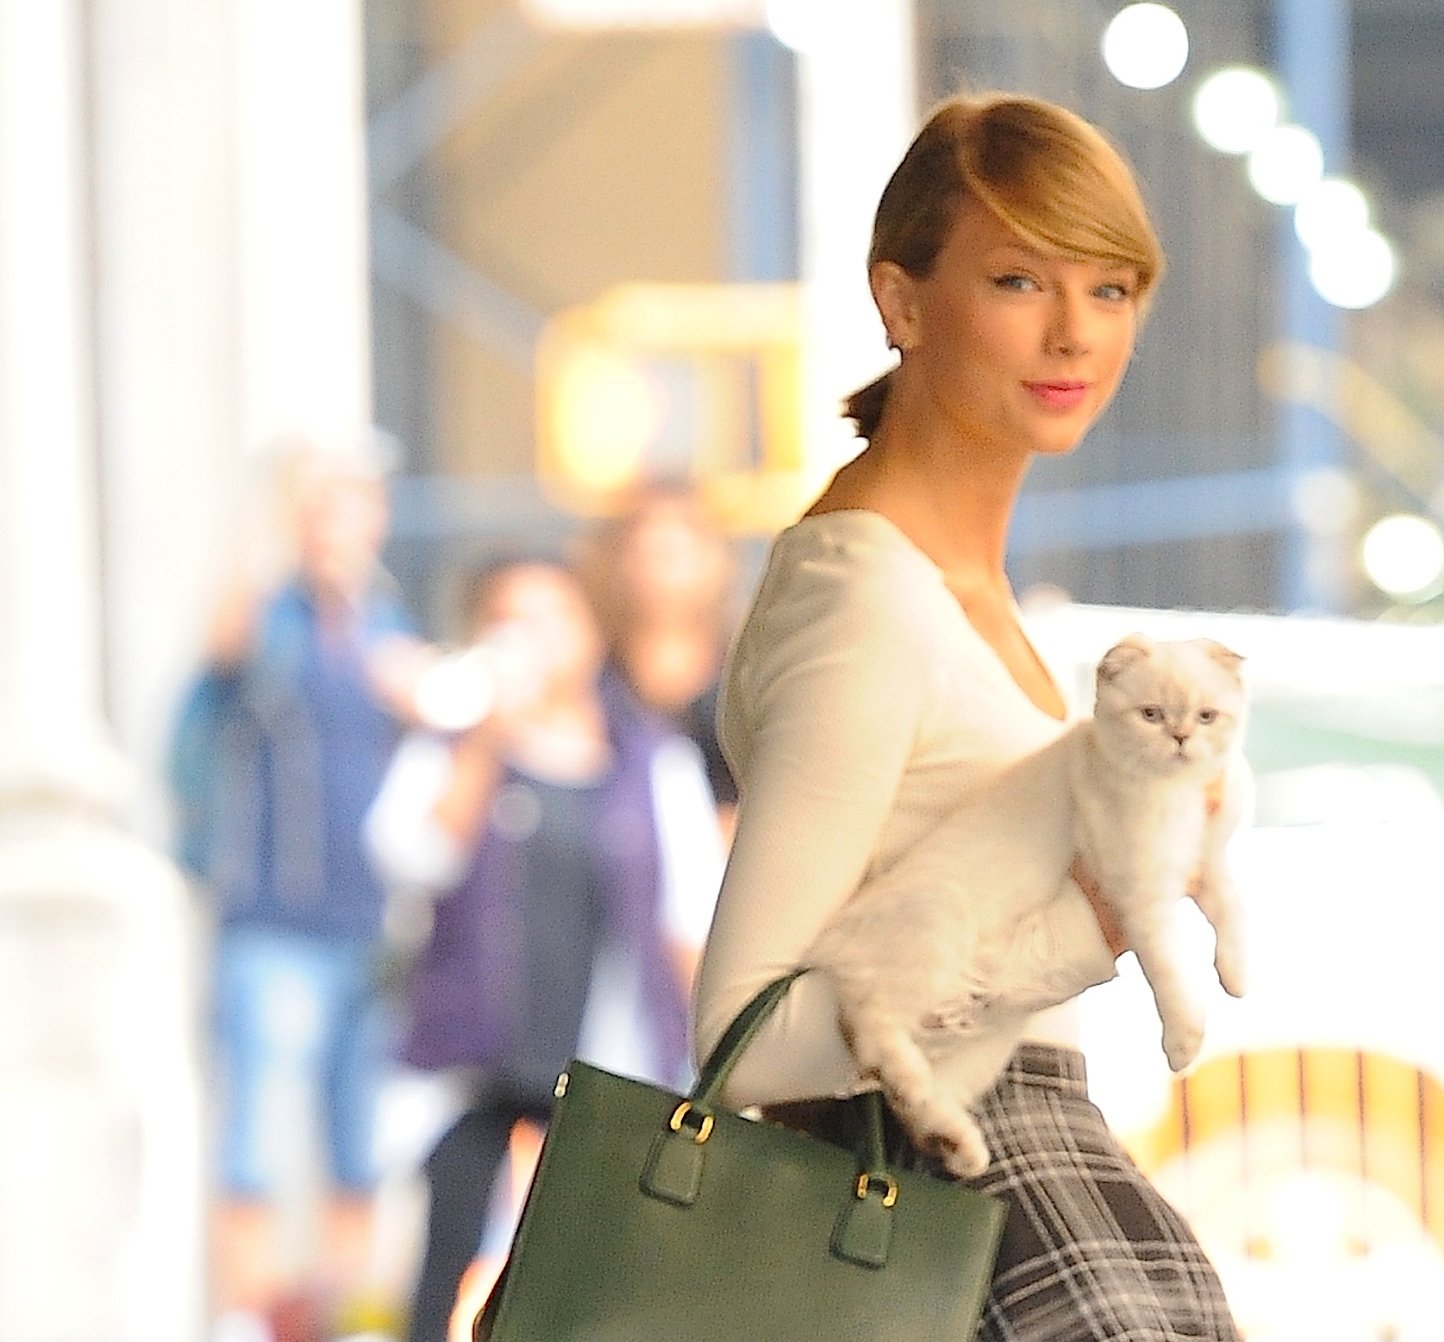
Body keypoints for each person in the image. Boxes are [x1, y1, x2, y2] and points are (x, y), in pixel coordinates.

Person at [692, 92, 1242, 1340]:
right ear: (900, 302)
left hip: (1021, 1166)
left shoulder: (957, 588)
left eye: (1109, 289)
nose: (1071, 335)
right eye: (1015, 280)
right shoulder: (867, 597)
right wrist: (1081, 930)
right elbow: (743, 1032)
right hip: (944, 1191)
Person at [363, 555, 723, 1342]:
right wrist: (482, 743)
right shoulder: (454, 748)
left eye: (552, 619)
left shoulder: (647, 760)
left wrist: (708, 1060)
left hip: (601, 1070)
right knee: (448, 1267)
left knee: (580, 1284)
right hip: (472, 1068)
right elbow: (414, 859)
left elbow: (686, 915)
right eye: (511, 621)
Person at [168, 435, 422, 1342]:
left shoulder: (390, 632)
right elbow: (206, 687)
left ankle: (351, 1318)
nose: (334, 532)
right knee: (255, 1140)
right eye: (319, 514)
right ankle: (245, 1318)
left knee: (359, 1143)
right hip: (271, 917)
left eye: (349, 511)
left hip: (371, 927)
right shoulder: (265, 617)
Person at [578, 480, 741, 835]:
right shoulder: (591, 685)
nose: (657, 572)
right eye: (642, 553)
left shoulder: (746, 681)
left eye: (673, 554)